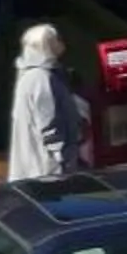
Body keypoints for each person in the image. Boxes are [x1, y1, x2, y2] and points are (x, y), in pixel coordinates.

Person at [8, 23, 85, 181]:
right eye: (56, 39)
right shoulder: (41, 79)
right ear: (46, 46)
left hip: (36, 166)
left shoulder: (28, 76)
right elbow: (49, 124)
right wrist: (60, 162)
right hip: (46, 169)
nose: (61, 43)